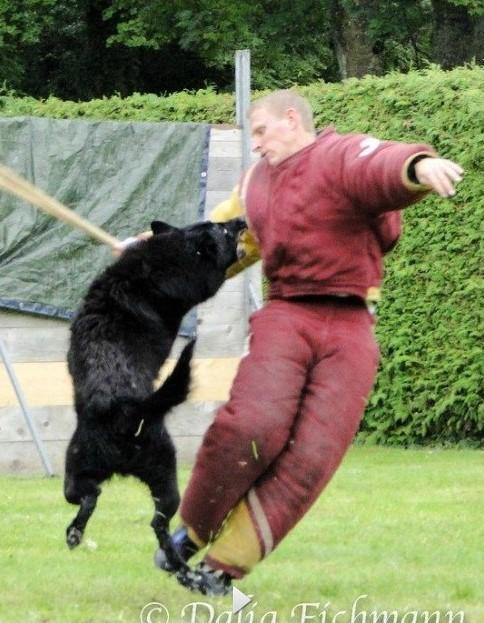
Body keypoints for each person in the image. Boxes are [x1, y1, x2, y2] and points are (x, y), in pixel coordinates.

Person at [150, 90, 464, 596]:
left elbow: (381, 164)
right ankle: (190, 532)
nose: (255, 145)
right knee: (251, 426)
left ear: (291, 120)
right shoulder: (254, 185)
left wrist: (420, 166)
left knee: (311, 459)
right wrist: (152, 254)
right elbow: (216, 242)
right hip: (286, 315)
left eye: (260, 131)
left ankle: (223, 568)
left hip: (351, 330)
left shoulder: (341, 156)